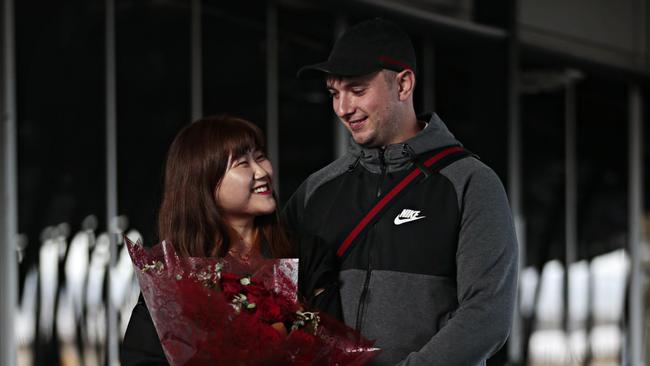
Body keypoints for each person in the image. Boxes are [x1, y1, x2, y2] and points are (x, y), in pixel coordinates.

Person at [282, 18, 518, 365]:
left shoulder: (470, 183)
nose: (343, 108)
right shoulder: (315, 192)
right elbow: (274, 297)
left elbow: (486, 315)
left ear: (404, 85)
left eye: (357, 90)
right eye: (335, 93)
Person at [120, 115, 341, 365]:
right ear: (205, 182)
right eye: (242, 163)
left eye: (259, 157)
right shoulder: (173, 270)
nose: (261, 171)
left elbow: (331, 350)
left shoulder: (306, 253)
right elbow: (142, 359)